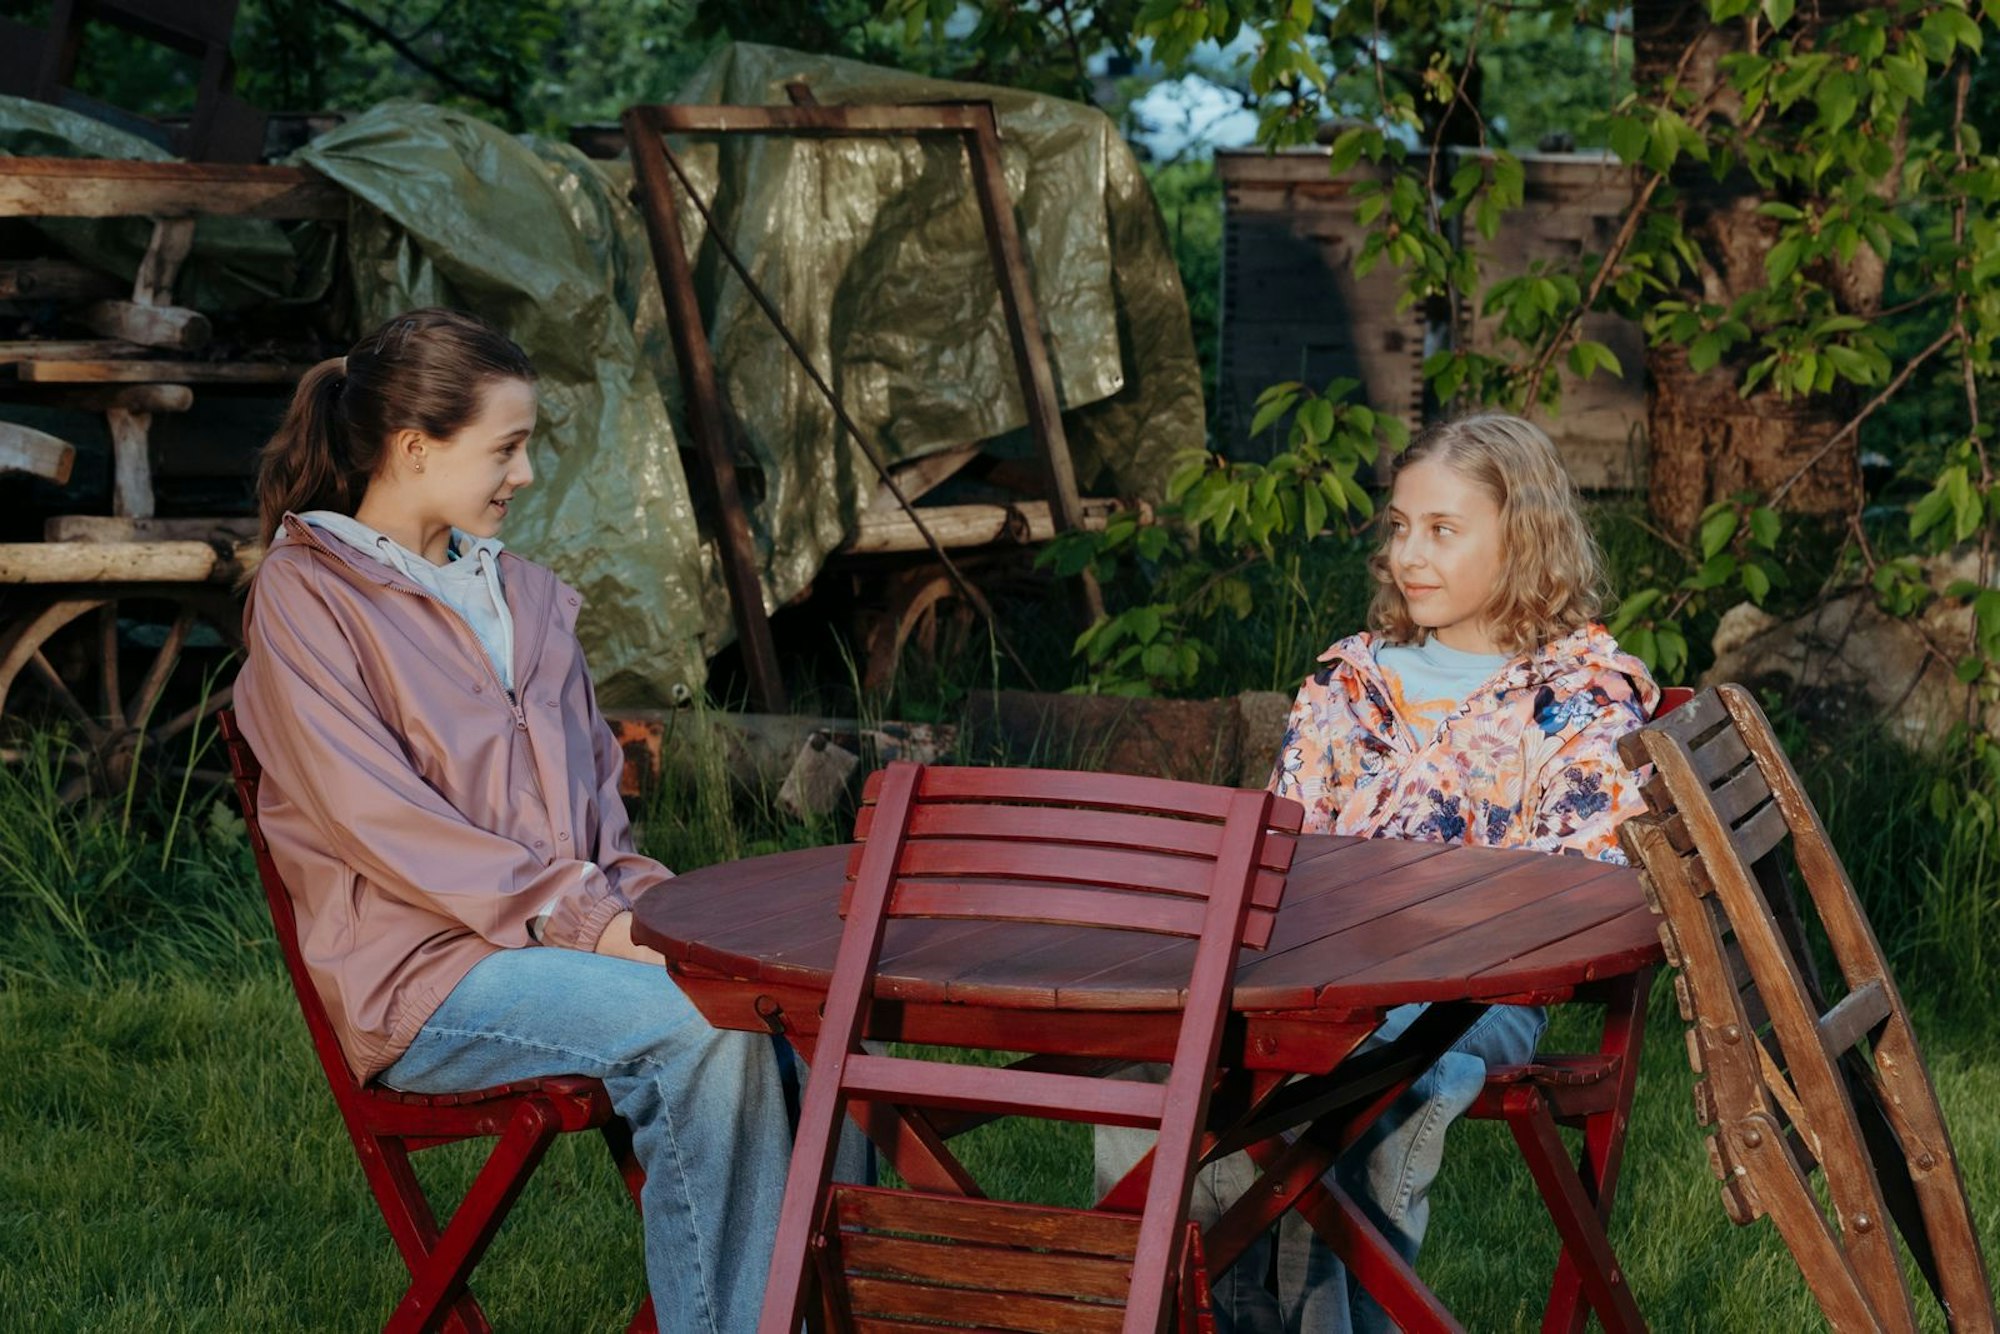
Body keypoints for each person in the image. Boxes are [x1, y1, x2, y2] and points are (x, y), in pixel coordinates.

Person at [233, 308, 790, 1332]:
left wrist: (660, 921)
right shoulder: (307, 594)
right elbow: (381, 822)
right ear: (413, 448)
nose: (525, 474)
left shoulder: (526, 599)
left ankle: (855, 1307)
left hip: (556, 945)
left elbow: (596, 824)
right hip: (423, 974)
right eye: (507, 446)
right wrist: (587, 924)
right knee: (700, 1033)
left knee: (788, 1015)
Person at [1097, 412, 1659, 1332]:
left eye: (1443, 530)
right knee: (1166, 1056)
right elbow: (1283, 851)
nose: (1410, 553)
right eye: (1399, 526)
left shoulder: (1578, 699)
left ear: (1524, 538)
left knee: (1332, 1063)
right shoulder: (1348, 685)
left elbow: (1589, 901)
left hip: (1479, 997)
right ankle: (1192, 1310)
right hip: (1306, 977)